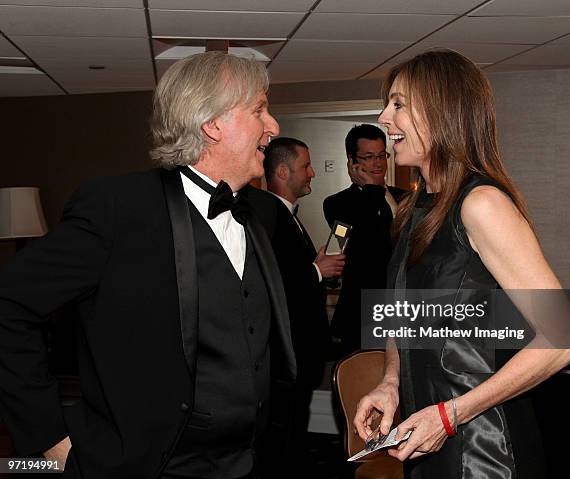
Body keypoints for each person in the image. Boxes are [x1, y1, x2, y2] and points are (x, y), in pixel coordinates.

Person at [0, 52, 296, 479]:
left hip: (248, 461)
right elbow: (10, 305)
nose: (274, 127)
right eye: (259, 109)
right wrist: (46, 435)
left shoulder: (261, 214)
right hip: (147, 464)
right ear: (212, 124)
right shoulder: (118, 208)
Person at [353, 49, 570, 478]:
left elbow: (567, 336)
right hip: (428, 438)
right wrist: (390, 381)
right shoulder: (414, 207)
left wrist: (452, 415)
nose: (385, 117)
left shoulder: (481, 204)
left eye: (399, 104)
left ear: (442, 111)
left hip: (485, 452)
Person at [258, 137, 344, 473]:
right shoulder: (265, 213)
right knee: (283, 433)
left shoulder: (288, 215)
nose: (311, 173)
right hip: (287, 353)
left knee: (296, 427)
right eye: (305, 166)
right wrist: (315, 270)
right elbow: (270, 281)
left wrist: (319, 269)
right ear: (282, 171)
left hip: (303, 351)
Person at [323, 124, 405, 357]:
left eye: (381, 155)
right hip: (362, 314)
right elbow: (364, 243)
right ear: (352, 161)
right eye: (368, 157)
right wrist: (372, 190)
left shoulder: (406, 197)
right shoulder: (337, 203)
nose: (378, 163)